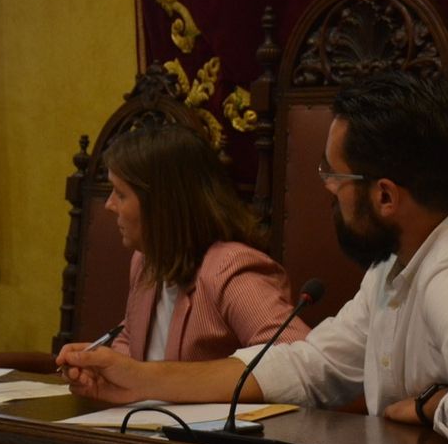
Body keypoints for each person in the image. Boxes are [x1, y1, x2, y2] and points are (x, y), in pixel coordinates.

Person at [59, 72, 448, 444]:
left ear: (385, 195)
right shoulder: (397, 267)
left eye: (334, 176)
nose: (326, 189)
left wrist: (425, 408)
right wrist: (138, 380)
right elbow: (309, 365)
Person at [101, 123, 307, 361]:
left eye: (120, 194)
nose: (109, 205)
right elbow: (131, 341)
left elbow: (297, 360)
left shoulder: (230, 271)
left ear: (162, 204)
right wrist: (100, 367)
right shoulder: (146, 260)